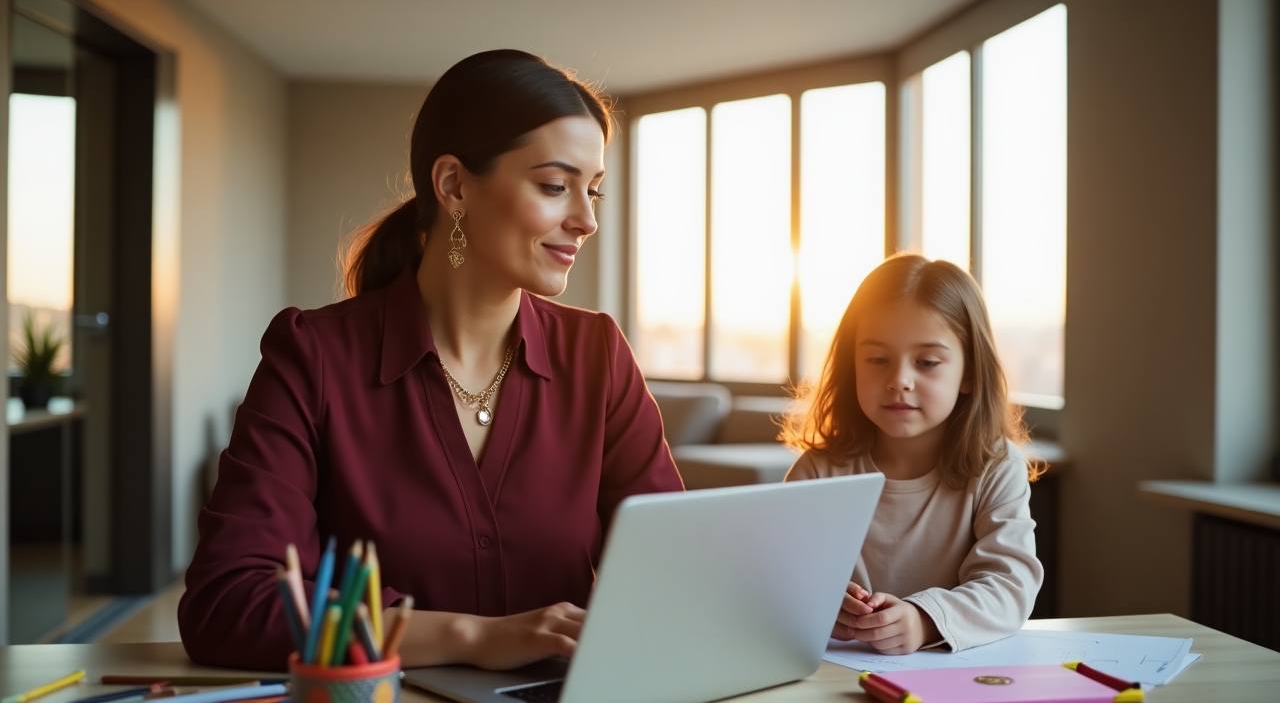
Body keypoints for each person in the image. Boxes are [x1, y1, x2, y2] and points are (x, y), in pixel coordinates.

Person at [178, 50, 684, 671]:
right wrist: (471, 638)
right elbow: (228, 601)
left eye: (594, 190)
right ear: (453, 186)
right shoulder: (313, 356)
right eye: (555, 186)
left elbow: (671, 569)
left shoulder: (598, 355)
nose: (586, 219)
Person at [783, 254, 1043, 655]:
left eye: (927, 362)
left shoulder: (996, 465)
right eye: (877, 360)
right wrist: (819, 606)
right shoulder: (819, 471)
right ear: (853, 366)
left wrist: (924, 619)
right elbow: (778, 580)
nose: (899, 380)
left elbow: (1010, 585)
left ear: (970, 373)